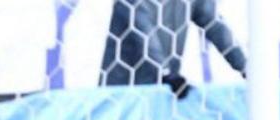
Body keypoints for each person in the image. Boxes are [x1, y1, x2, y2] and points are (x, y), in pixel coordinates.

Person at [101, 0, 248, 97]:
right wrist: (165, 72)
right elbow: (142, 28)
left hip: (166, 88)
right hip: (124, 89)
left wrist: (246, 67)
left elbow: (215, 25)